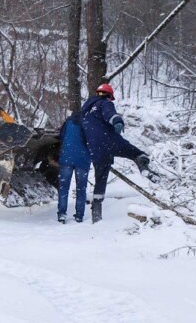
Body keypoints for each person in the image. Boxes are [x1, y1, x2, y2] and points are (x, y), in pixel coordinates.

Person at [81, 83, 150, 223]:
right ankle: (142, 161)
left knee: (101, 176)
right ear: (109, 96)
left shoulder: (86, 110)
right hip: (107, 140)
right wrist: (117, 121)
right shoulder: (104, 103)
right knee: (131, 150)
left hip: (93, 147)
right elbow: (110, 114)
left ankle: (97, 212)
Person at [56, 110, 91, 224]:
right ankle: (79, 216)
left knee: (63, 188)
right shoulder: (88, 123)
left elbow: (61, 137)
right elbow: (91, 141)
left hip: (66, 158)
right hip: (83, 161)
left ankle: (62, 214)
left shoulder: (68, 122)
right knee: (81, 189)